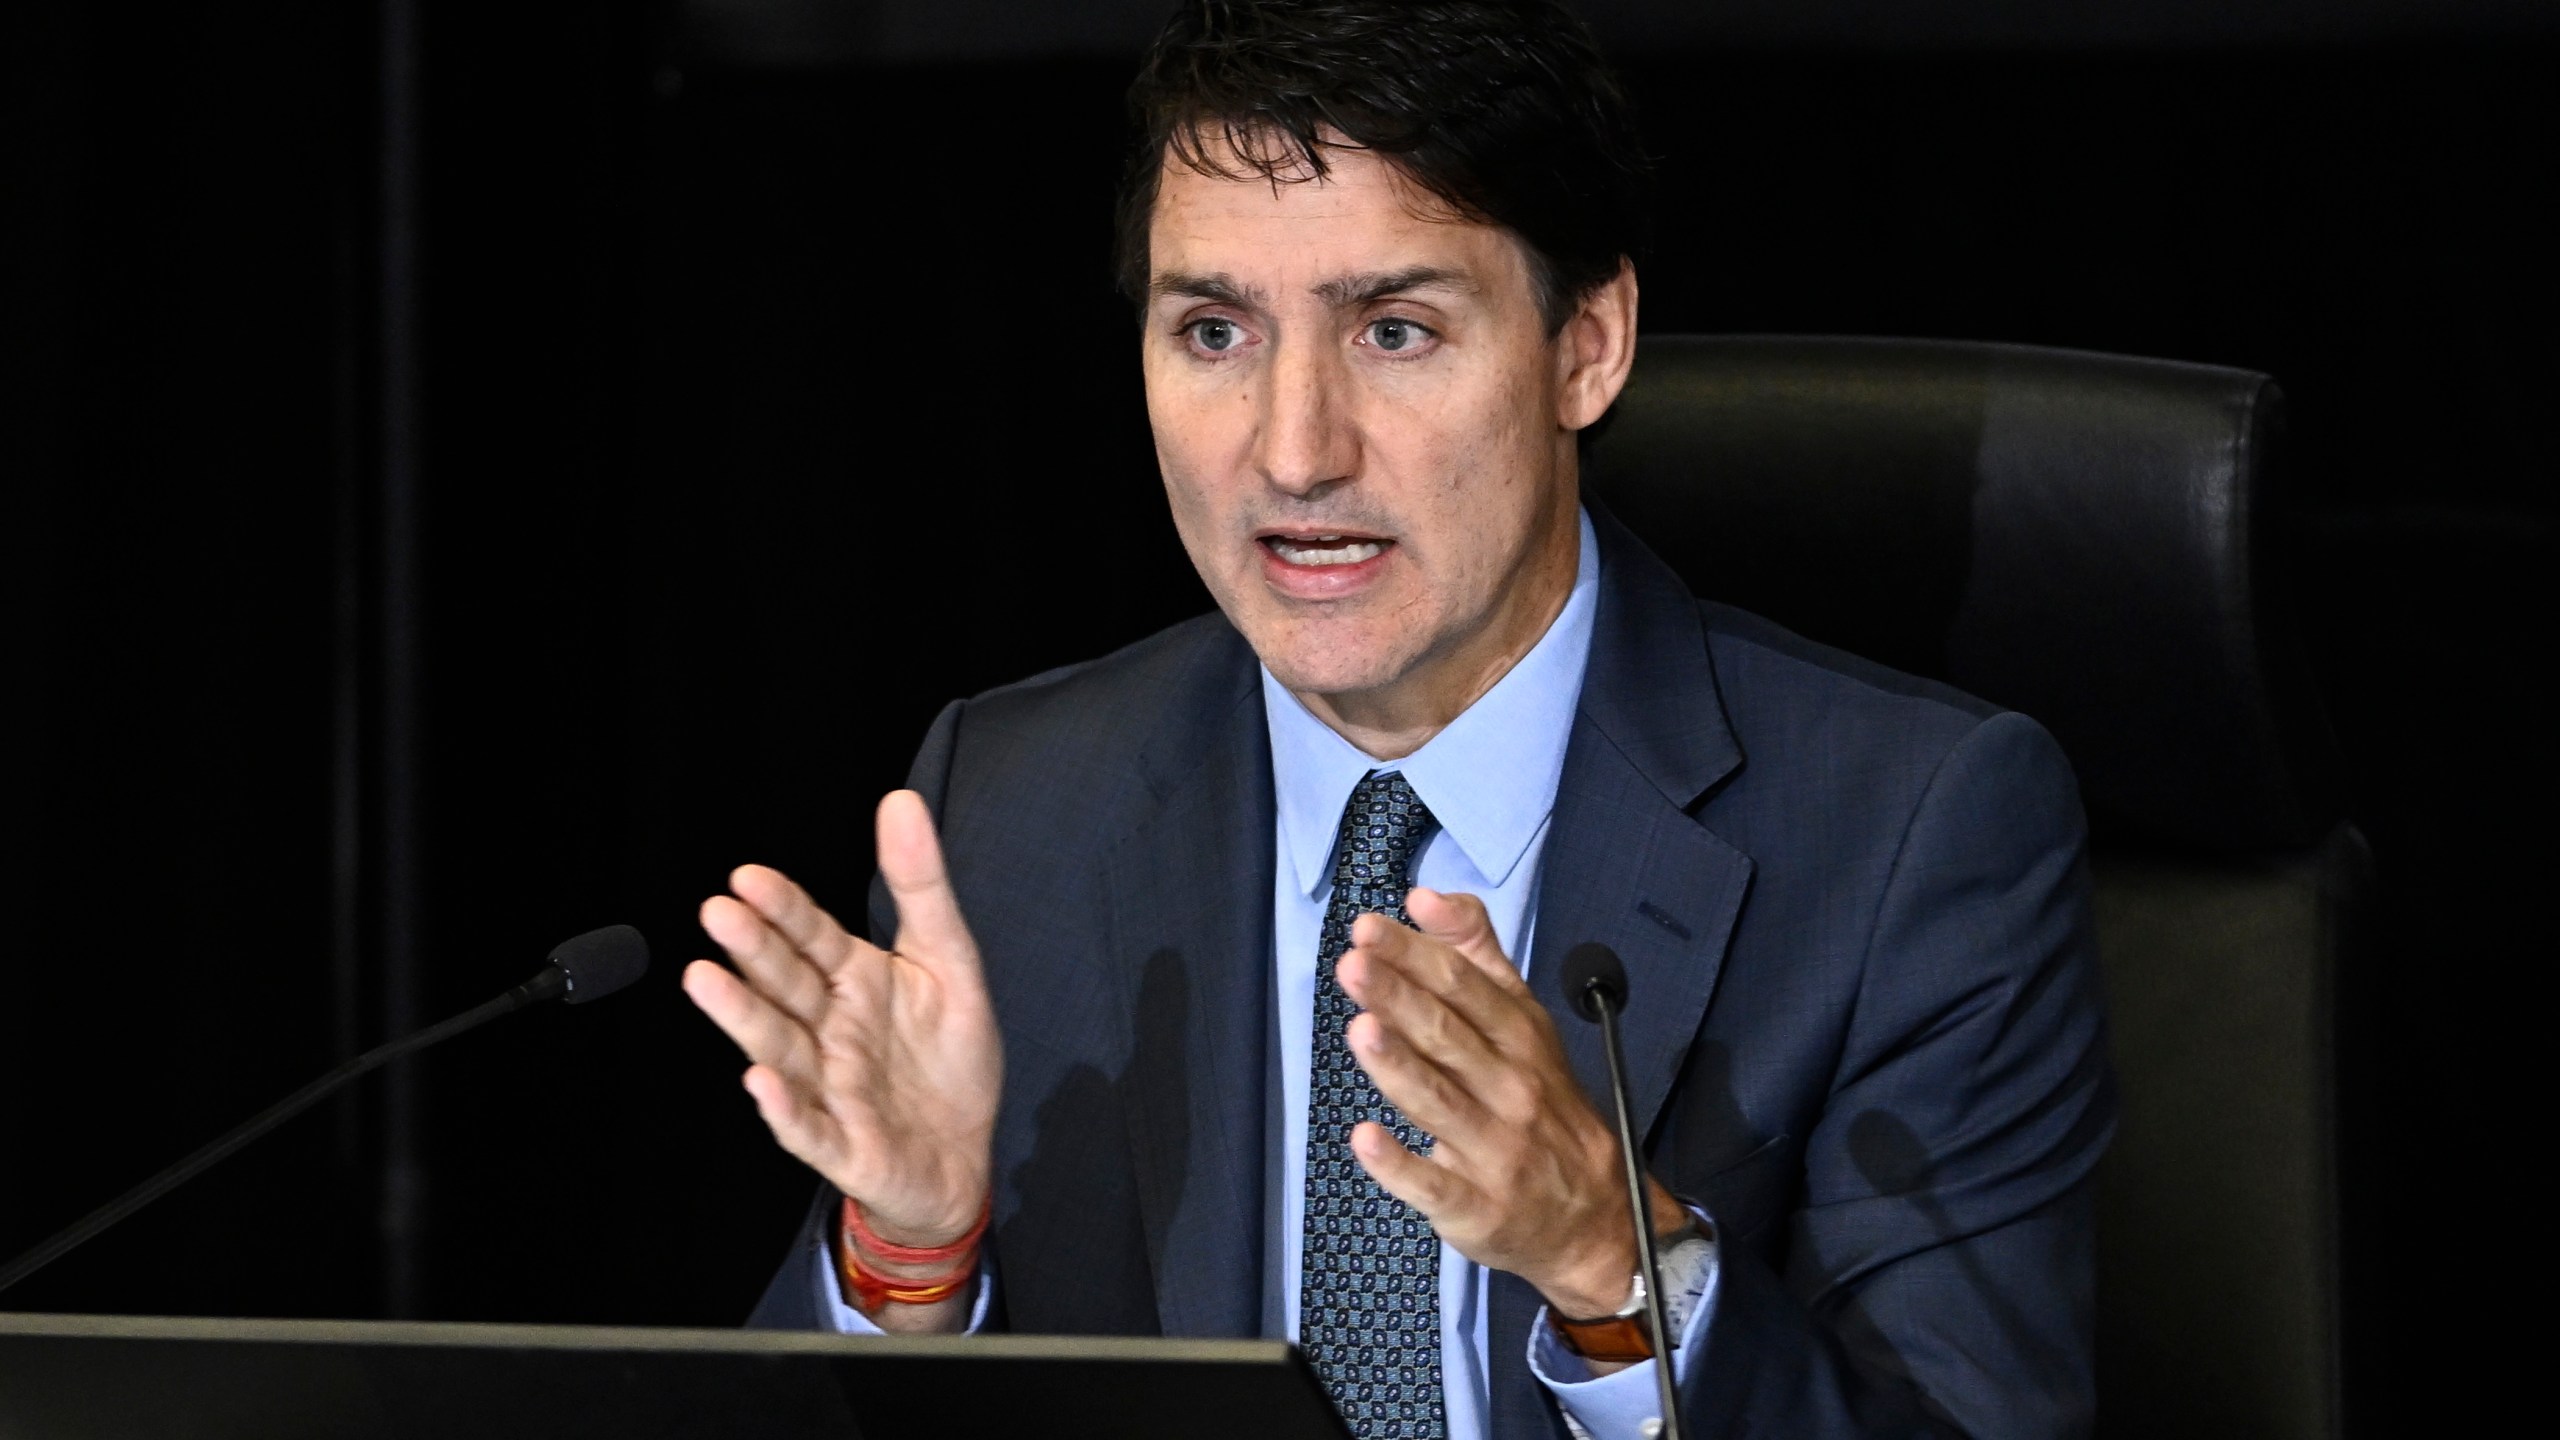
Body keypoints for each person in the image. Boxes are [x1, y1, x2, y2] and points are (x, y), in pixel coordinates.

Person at [682, 3, 2114, 1436]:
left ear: (1587, 346)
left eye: (1395, 329)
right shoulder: (1017, 806)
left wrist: (1619, 1265)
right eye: (1214, 330)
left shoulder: (1911, 831)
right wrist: (912, 1263)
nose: (1295, 449)